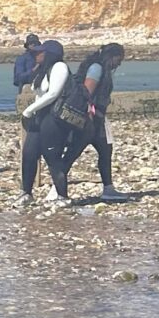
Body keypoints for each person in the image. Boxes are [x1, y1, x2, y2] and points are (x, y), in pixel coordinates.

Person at [61, 43, 129, 202]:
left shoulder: (100, 68)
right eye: (119, 58)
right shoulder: (96, 69)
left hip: (98, 119)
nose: (119, 63)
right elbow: (87, 93)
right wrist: (92, 115)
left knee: (106, 151)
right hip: (90, 120)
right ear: (112, 56)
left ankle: (108, 188)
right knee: (73, 153)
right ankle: (57, 189)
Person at [14, 39, 72, 207]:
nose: (35, 54)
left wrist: (29, 110)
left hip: (52, 119)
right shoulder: (42, 70)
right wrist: (33, 112)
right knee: (29, 153)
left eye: (40, 52)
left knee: (52, 157)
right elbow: (39, 93)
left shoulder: (60, 67)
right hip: (39, 117)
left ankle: (62, 196)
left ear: (50, 54)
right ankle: (26, 193)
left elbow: (53, 93)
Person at [14, 34, 41, 98]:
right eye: (31, 43)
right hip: (26, 92)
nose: (33, 45)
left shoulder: (43, 58)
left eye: (35, 43)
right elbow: (18, 78)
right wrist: (34, 69)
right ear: (27, 45)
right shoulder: (22, 58)